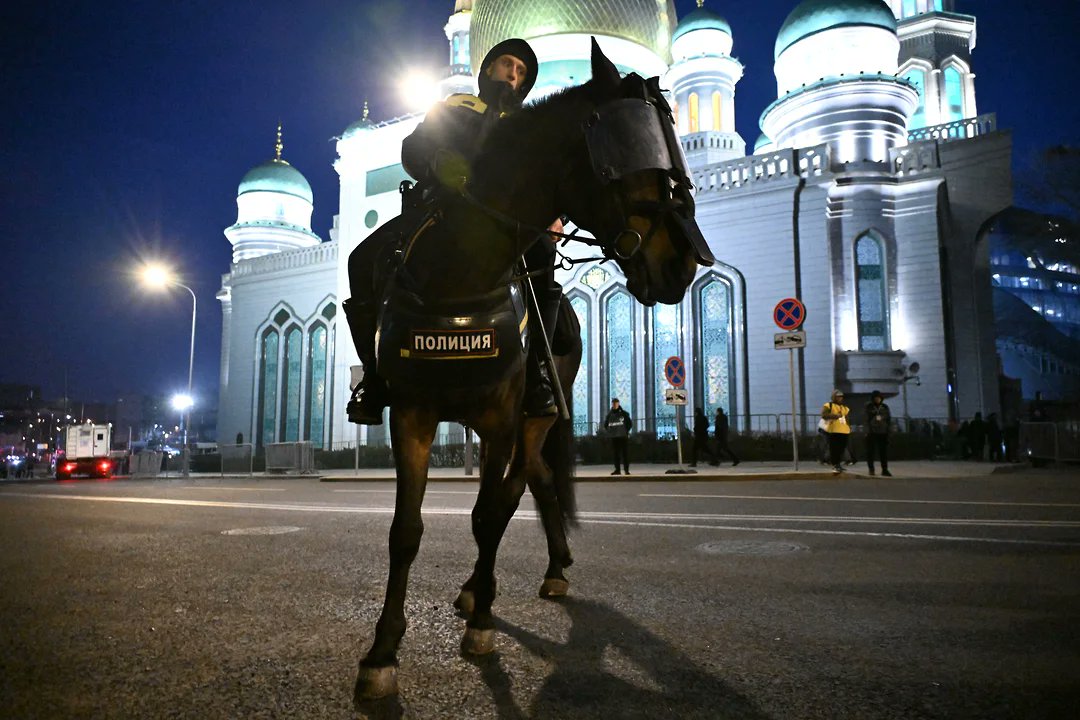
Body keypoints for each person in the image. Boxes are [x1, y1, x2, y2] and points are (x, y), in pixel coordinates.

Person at [342, 38, 556, 425]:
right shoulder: (456, 107)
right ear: (488, 69)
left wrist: (551, 216)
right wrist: (437, 162)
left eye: (521, 72)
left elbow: (543, 180)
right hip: (437, 210)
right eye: (507, 64)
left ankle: (537, 372)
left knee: (543, 256)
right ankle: (373, 378)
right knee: (361, 261)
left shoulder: (525, 126)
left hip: (503, 223)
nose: (513, 74)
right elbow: (414, 149)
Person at [821, 389, 851, 474]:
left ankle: (838, 464)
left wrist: (849, 427)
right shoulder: (828, 405)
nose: (840, 398)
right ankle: (835, 465)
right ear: (834, 397)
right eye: (838, 397)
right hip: (833, 430)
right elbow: (824, 415)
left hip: (844, 431)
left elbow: (847, 418)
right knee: (834, 449)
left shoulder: (845, 408)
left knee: (841, 449)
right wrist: (835, 416)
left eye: (841, 397)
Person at [864, 390, 892, 476]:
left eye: (879, 398)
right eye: (876, 398)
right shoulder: (869, 407)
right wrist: (867, 431)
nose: (877, 399)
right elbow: (865, 419)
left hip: (883, 432)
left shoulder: (885, 407)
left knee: (883, 452)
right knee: (870, 452)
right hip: (872, 432)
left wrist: (888, 431)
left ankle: (885, 469)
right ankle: (871, 469)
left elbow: (888, 419)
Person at [605, 398, 632, 475]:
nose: (614, 405)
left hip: (623, 436)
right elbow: (606, 425)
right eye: (613, 403)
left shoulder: (624, 414)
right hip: (614, 437)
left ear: (618, 404)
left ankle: (626, 470)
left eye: (616, 403)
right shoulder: (609, 415)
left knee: (625, 454)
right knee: (616, 454)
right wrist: (610, 432)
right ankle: (617, 470)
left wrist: (625, 431)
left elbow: (629, 424)